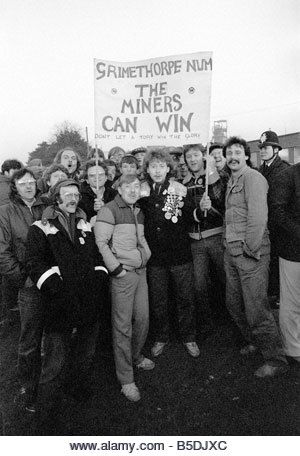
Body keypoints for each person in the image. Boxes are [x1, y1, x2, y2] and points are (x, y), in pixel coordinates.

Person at [24, 178, 109, 412]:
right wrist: (55, 287)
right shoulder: (40, 227)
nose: (73, 198)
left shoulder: (85, 224)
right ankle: (45, 408)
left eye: (76, 194)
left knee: (85, 352)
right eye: (67, 194)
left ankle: (77, 387)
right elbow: (34, 262)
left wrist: (99, 278)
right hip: (58, 303)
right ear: (56, 198)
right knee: (54, 359)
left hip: (87, 301)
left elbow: (96, 258)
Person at [223, 136, 288, 377]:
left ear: (246, 155)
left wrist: (250, 250)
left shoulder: (253, 178)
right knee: (234, 304)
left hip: (251, 253)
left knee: (256, 308)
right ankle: (255, 341)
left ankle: (275, 359)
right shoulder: (232, 181)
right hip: (231, 252)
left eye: (237, 152)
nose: (232, 156)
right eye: (229, 153)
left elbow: (259, 217)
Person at [95, 174, 153, 402]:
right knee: (122, 326)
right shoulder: (109, 210)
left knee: (143, 319)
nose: (132, 190)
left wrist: (146, 255)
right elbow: (101, 243)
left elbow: (142, 239)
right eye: (127, 186)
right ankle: (126, 378)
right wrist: (116, 269)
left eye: (136, 186)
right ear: (119, 189)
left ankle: (136, 356)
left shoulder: (138, 211)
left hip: (141, 272)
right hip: (123, 275)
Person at [139, 149, 199, 358]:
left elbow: (191, 217)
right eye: (153, 166)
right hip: (154, 257)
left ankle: (188, 336)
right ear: (147, 169)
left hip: (179, 254)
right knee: (158, 300)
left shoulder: (179, 189)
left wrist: (201, 210)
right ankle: (161, 337)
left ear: (168, 168)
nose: (157, 170)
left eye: (161, 166)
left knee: (185, 297)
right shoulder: (140, 191)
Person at [0, 168, 47, 412]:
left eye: (31, 182)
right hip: (29, 285)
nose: (28, 186)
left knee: (56, 334)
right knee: (30, 338)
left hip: (52, 280)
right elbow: (3, 251)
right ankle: (27, 386)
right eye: (22, 183)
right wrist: (23, 279)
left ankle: (52, 380)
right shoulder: (6, 212)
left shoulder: (46, 206)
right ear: (15, 187)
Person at [182, 144, 228, 332]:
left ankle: (232, 320)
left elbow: (222, 201)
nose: (193, 159)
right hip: (195, 241)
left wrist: (211, 172)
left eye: (196, 155)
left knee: (226, 281)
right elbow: (184, 213)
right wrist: (198, 211)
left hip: (216, 236)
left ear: (203, 156)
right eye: (189, 156)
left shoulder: (217, 176)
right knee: (199, 286)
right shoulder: (182, 183)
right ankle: (208, 325)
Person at [269, 163, 300, 363]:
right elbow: (278, 212)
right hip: (293, 250)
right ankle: (293, 349)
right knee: (292, 302)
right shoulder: (288, 175)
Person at [258, 130, 290, 304]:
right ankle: (273, 293)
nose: (263, 150)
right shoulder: (260, 169)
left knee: (279, 261)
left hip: (278, 225)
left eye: (267, 147)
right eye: (261, 147)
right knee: (269, 260)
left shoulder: (284, 169)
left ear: (276, 149)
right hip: (265, 224)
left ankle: (280, 296)